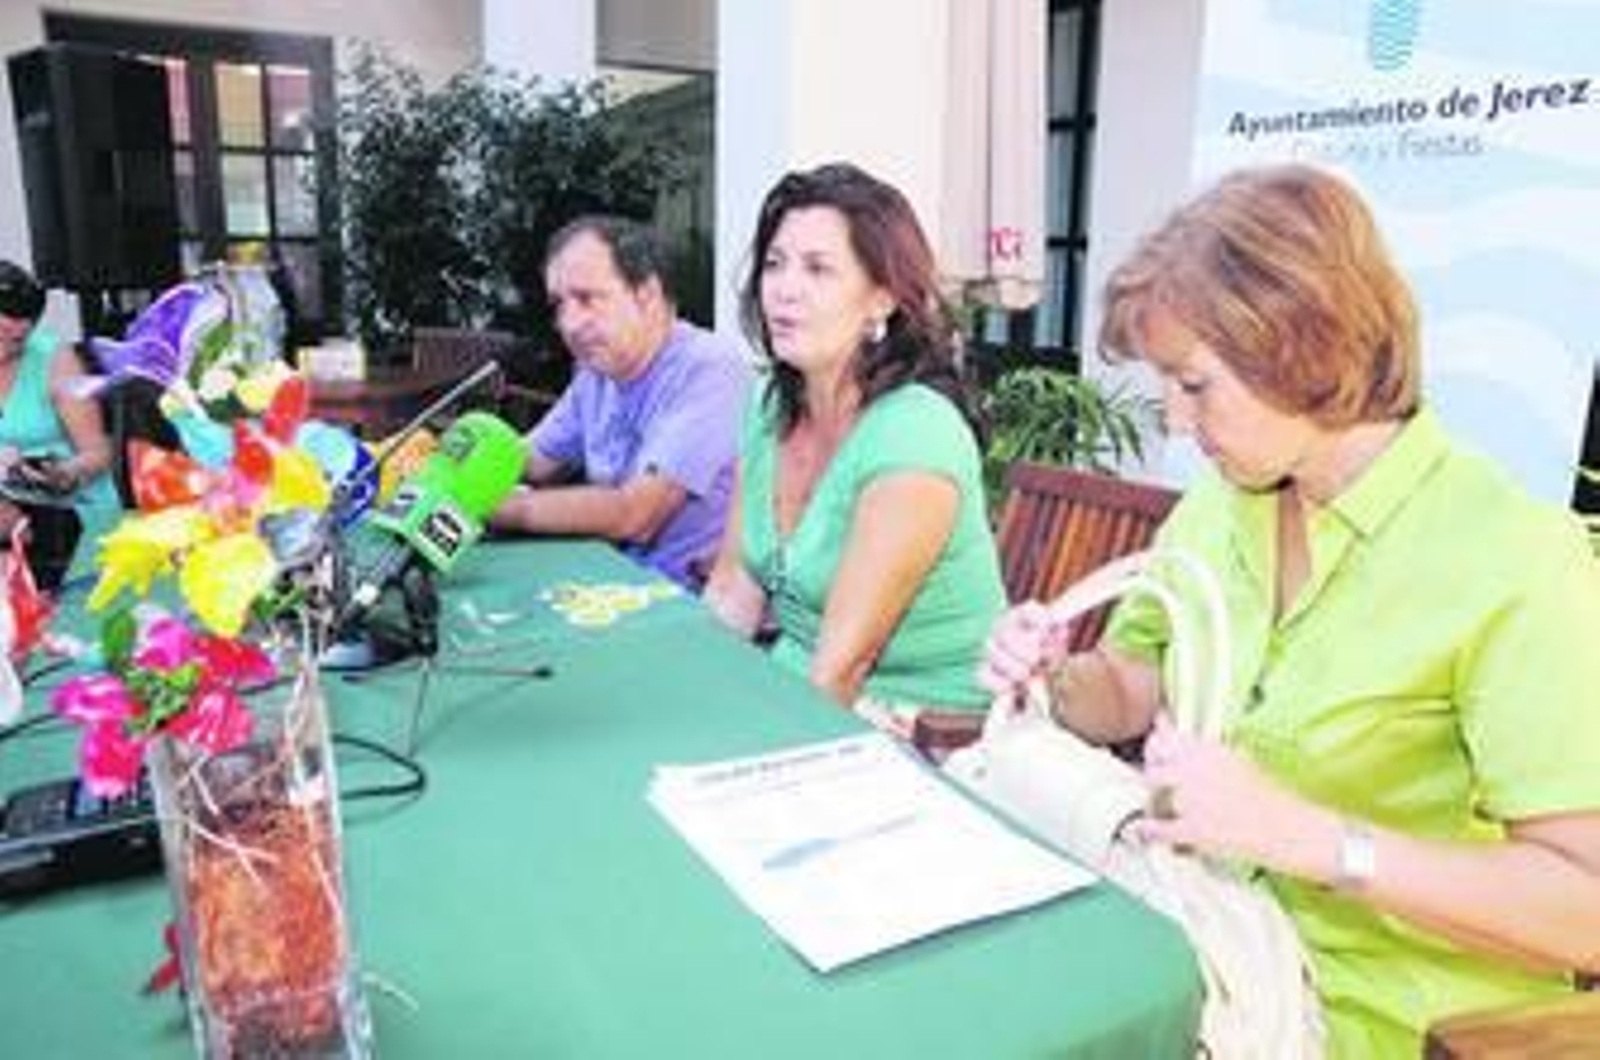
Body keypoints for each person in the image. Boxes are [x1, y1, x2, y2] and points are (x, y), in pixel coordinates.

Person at [979, 163, 1600, 1056]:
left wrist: (1314, 840)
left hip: (1381, 1022)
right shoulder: (1227, 504)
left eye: (1194, 386)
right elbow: (1134, 684)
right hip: (1208, 949)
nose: (1175, 424)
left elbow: (1583, 911)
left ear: (1306, 347)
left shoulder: (1513, 560)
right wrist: (1057, 674)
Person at [704, 163, 1005, 721]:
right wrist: (685, 700)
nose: (784, 289)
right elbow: (732, 589)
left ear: (881, 300)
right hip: (792, 690)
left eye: (818, 269)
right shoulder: (772, 401)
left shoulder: (915, 433)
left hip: (926, 734)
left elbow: (843, 668)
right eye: (775, 264)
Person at [490, 217, 751, 588]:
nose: (569, 323)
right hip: (605, 589)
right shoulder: (596, 374)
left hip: (685, 610)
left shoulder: (710, 370)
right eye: (559, 305)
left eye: (586, 299)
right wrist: (448, 465)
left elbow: (636, 514)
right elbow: (534, 460)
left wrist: (490, 507)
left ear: (646, 294)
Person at [0, 260, 118, 590]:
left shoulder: (54, 358)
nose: (13, 334)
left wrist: (64, 473)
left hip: (70, 514)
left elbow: (99, 450)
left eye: (19, 333)